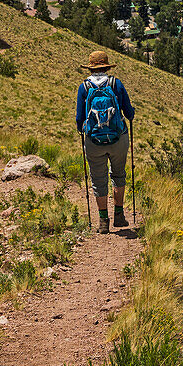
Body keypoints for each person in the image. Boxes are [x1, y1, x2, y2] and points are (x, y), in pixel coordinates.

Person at [77, 49, 135, 234]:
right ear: (107, 66)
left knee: (98, 179)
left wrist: (83, 131)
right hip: (118, 138)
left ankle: (103, 222)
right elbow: (129, 113)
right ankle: (119, 216)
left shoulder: (84, 87)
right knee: (118, 175)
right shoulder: (115, 84)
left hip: (94, 140)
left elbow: (79, 118)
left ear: (91, 68)